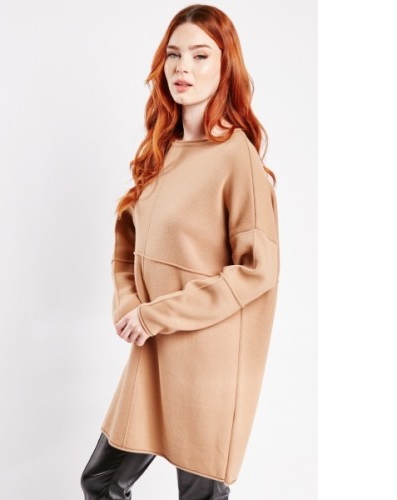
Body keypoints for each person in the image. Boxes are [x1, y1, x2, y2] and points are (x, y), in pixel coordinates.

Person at [81, 4, 280, 499]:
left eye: (200, 55)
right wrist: (130, 306)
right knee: (101, 482)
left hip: (207, 364)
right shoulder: (161, 150)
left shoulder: (236, 157)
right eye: (173, 54)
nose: (182, 67)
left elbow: (259, 269)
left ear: (225, 67)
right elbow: (127, 247)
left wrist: (157, 315)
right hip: (152, 353)